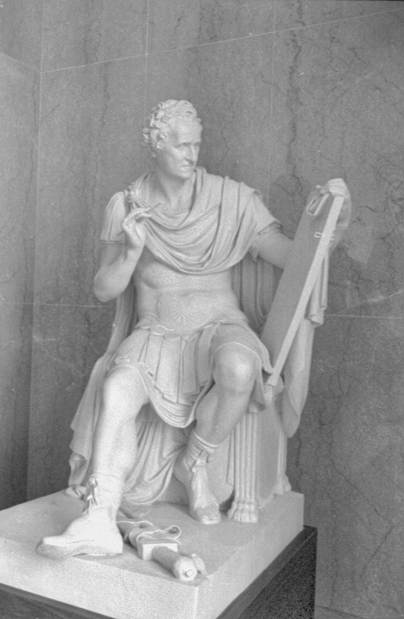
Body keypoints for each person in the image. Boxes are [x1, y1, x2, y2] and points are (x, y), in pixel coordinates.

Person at [38, 99, 321, 559]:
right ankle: (99, 518)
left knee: (239, 367)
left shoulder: (232, 201)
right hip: (156, 332)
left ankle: (195, 461)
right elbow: (104, 290)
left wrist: (326, 228)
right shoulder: (126, 206)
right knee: (116, 392)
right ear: (156, 145)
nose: (193, 154)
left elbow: (293, 259)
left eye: (196, 144)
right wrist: (131, 252)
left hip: (219, 325)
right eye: (182, 146)